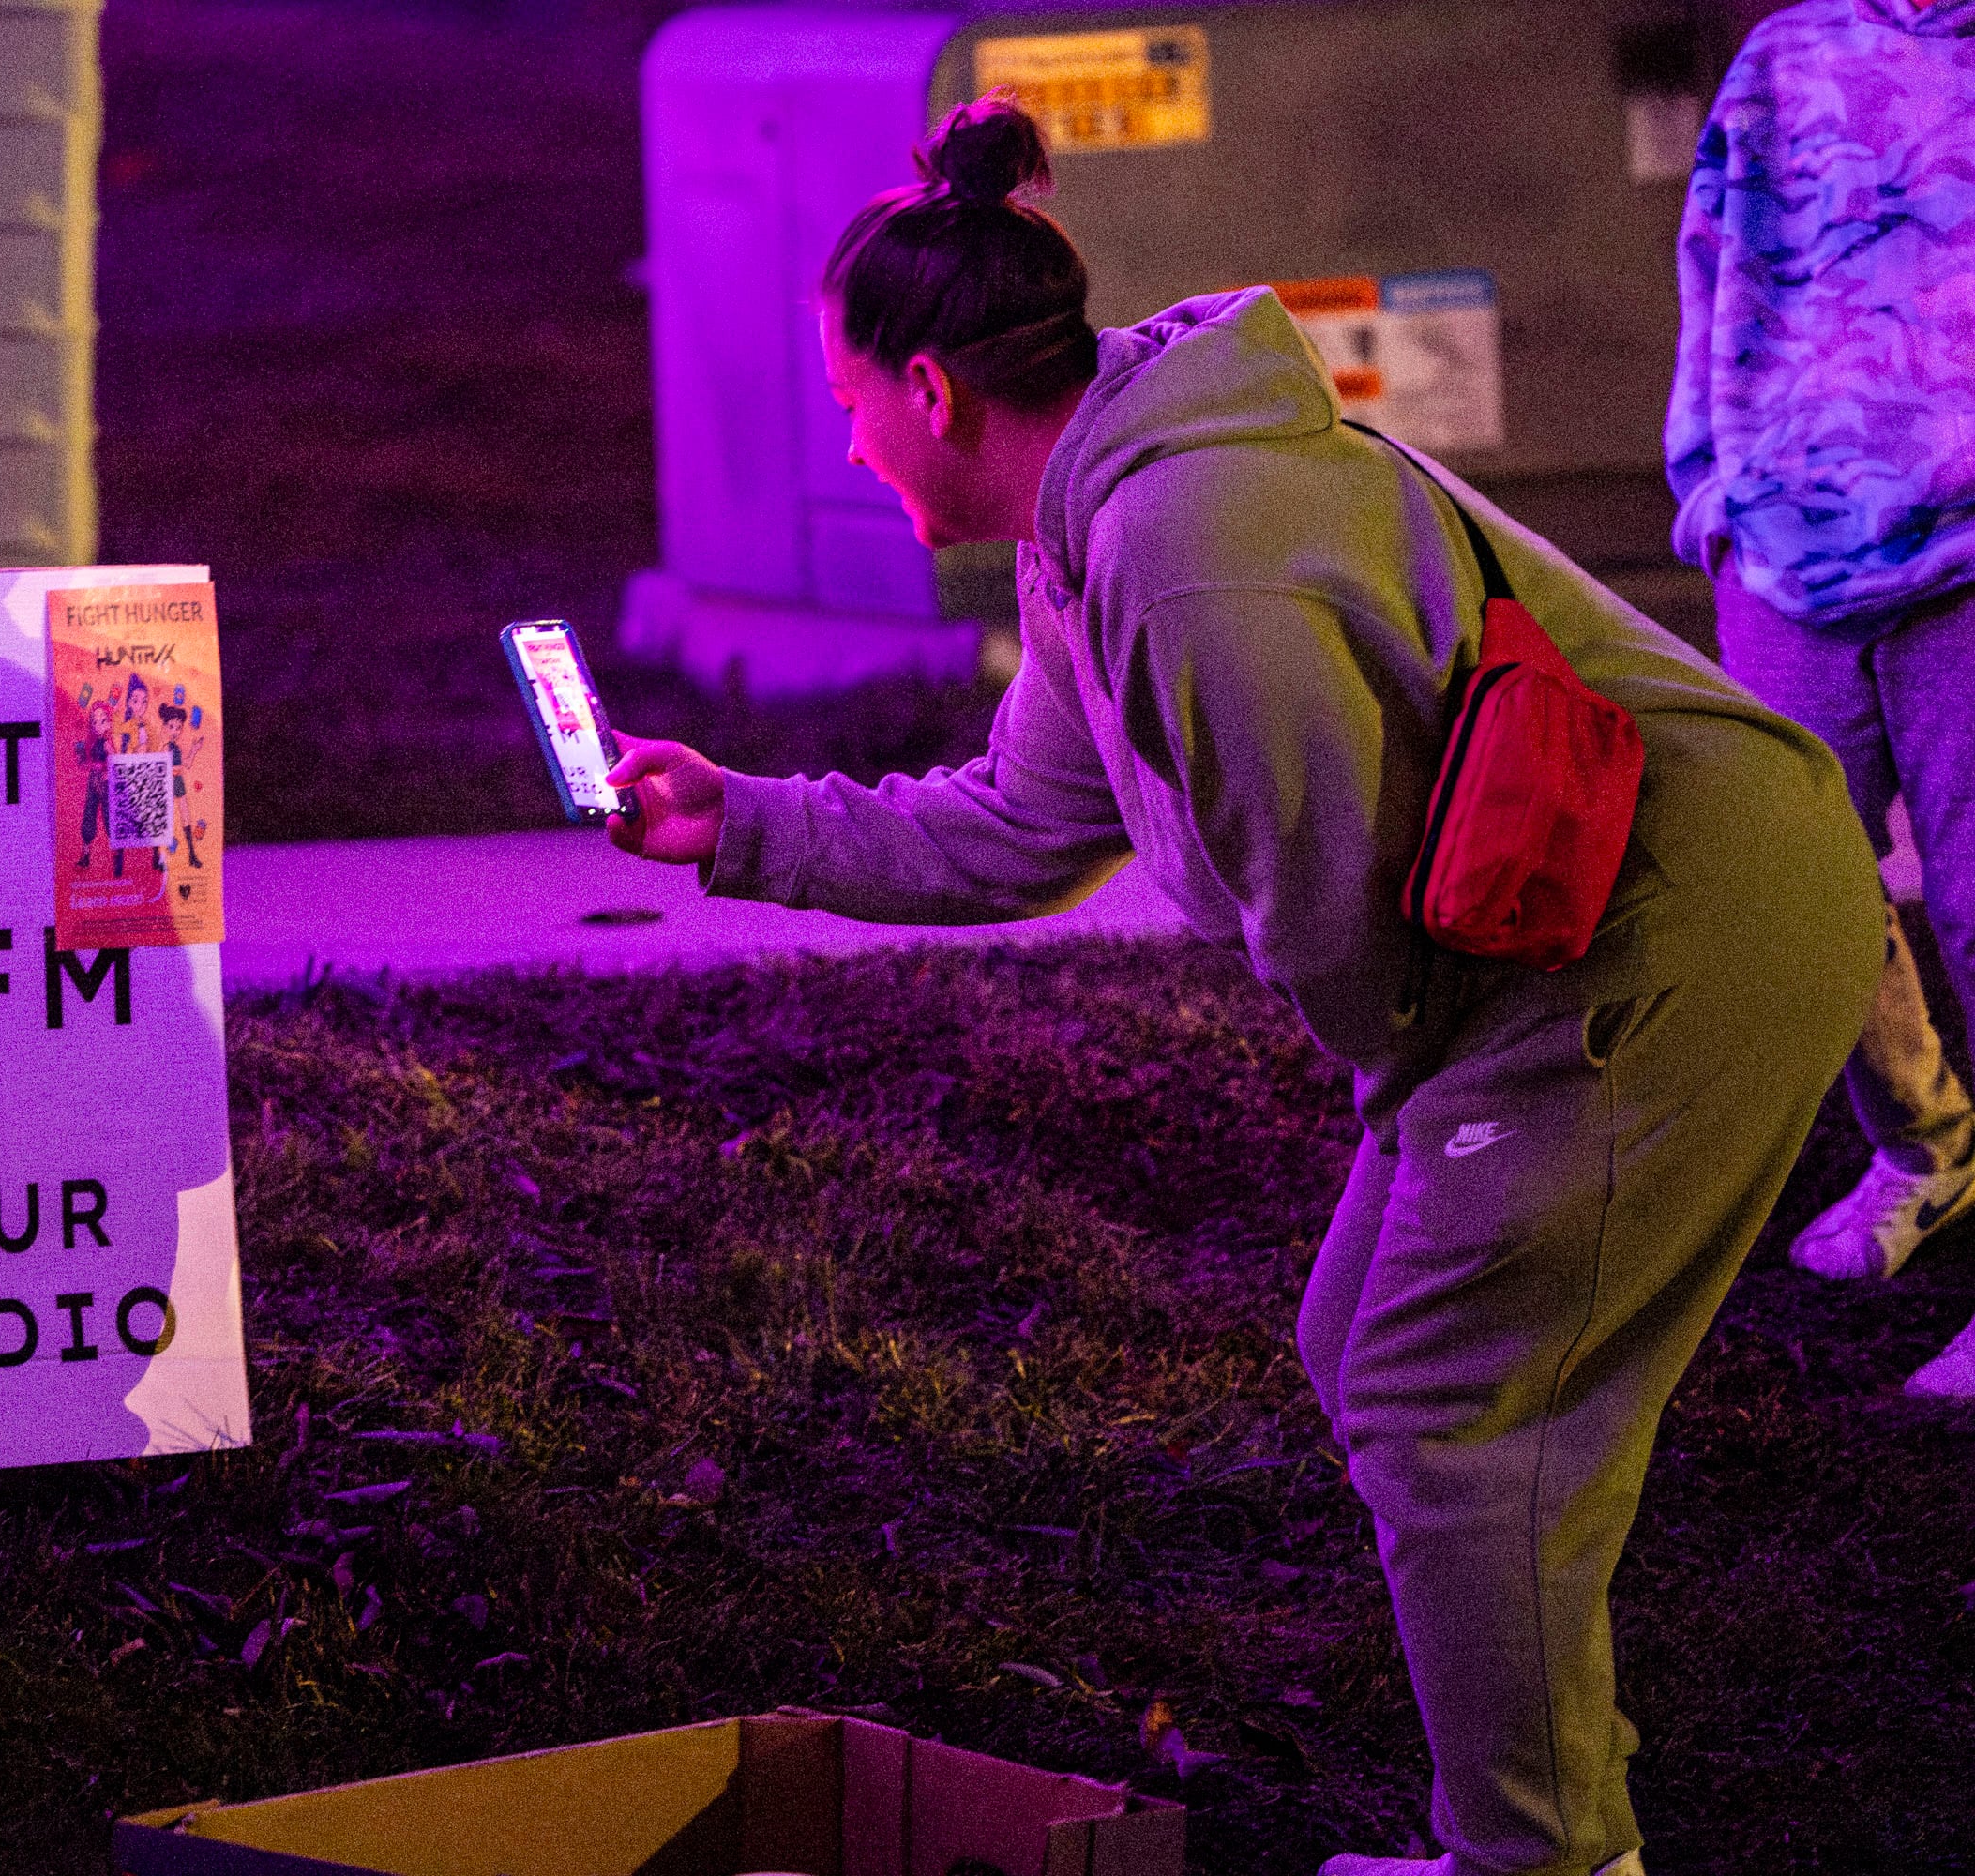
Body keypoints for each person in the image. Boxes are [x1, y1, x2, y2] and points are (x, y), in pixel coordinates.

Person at [608, 93, 1882, 1876]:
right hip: (1567, 936)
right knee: (1376, 1348)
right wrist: (735, 823)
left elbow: (1335, 904)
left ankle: (1549, 1859)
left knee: (1455, 1409)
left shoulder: (1189, 548)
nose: (849, 450)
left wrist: (1425, 1099)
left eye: (844, 407)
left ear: (929, 392)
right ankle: (1535, 1824)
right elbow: (1017, 828)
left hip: (1676, 927)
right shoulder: (1097, 520)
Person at [1665, 0, 1975, 1395]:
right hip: (1787, 546)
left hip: (1969, 553)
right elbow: (1712, 257)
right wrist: (1710, 489)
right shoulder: (1791, 54)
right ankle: (1926, 1151)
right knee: (1799, 884)